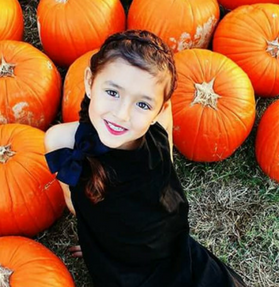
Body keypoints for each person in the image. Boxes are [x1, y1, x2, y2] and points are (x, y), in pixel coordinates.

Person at [44, 30, 247, 287]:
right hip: (115, 259)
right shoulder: (62, 142)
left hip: (164, 240)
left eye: (142, 104)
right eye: (113, 92)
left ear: (158, 109)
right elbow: (74, 203)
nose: (122, 114)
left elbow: (167, 162)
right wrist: (97, 243)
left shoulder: (159, 127)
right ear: (89, 81)